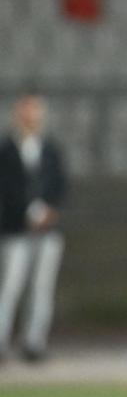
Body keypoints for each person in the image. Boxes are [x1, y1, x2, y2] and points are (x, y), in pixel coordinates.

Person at [0, 93, 68, 362]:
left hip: (46, 230)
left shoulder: (50, 149)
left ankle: (34, 341)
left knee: (42, 287)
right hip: (15, 228)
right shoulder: (6, 150)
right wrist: (27, 211)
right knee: (11, 285)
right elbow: (7, 189)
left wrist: (49, 209)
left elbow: (59, 184)